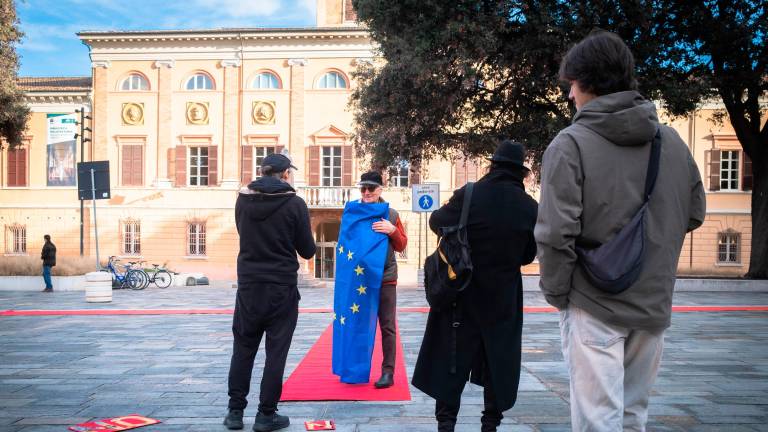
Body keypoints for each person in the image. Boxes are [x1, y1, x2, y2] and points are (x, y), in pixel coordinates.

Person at [535, 31, 706, 432]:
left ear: (588, 83)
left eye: (572, 84)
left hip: (593, 302)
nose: (570, 95)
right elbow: (695, 213)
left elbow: (555, 234)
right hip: (652, 304)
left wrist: (558, 294)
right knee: (632, 418)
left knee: (598, 421)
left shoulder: (570, 144)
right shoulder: (671, 142)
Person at [412, 141, 538, 432]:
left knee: (451, 357)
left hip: (462, 291)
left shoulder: (469, 194)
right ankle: (490, 425)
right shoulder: (530, 207)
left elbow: (437, 222)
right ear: (521, 173)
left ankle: (446, 424)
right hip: (503, 297)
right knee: (498, 361)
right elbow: (527, 255)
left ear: (492, 166)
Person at [224, 153, 316, 432]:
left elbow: (244, 234)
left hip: (249, 285)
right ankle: (266, 415)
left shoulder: (242, 201)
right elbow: (308, 250)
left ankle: (235, 412)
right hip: (281, 288)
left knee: (243, 349)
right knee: (276, 353)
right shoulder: (295, 203)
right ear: (285, 174)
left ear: (263, 172)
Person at [356, 171, 408, 388]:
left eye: (371, 188)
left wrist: (392, 230)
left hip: (385, 279)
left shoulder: (391, 214)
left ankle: (388, 372)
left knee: (387, 327)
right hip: (360, 281)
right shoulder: (353, 212)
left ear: (380, 189)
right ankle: (356, 369)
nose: (367, 192)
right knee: (359, 325)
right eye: (363, 188)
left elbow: (402, 245)